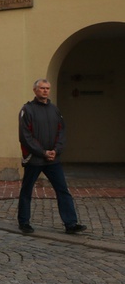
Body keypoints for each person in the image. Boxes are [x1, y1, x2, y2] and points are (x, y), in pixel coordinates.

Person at [18, 79, 87, 235]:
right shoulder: (27, 110)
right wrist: (42, 152)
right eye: (42, 88)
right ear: (35, 90)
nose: (45, 91)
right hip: (34, 159)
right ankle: (24, 222)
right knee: (27, 191)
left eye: (47, 88)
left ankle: (70, 223)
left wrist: (56, 150)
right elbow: (25, 136)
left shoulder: (55, 110)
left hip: (53, 160)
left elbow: (61, 132)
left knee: (62, 190)